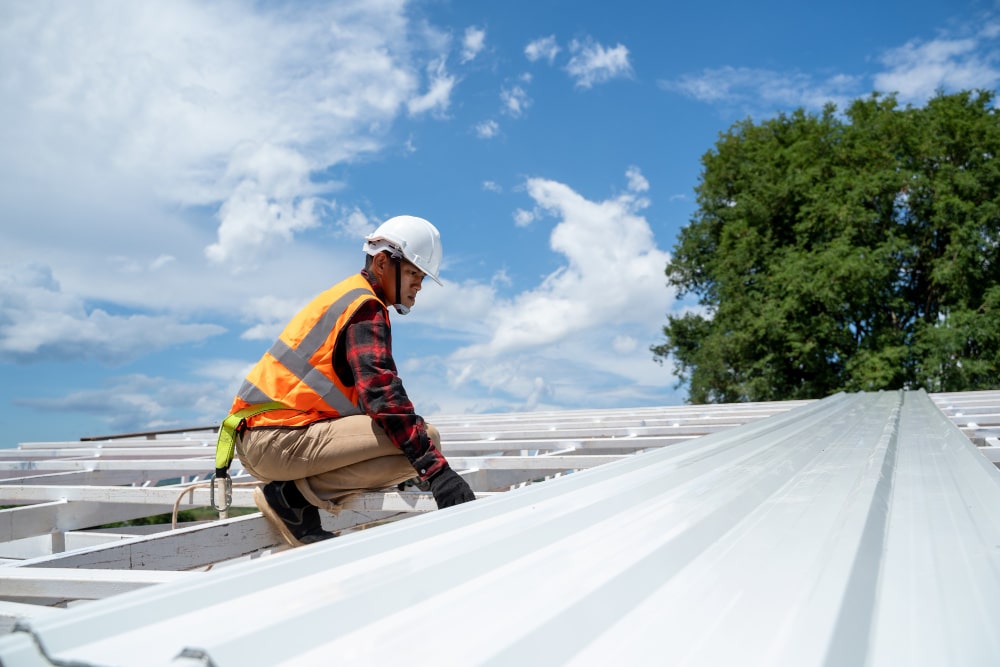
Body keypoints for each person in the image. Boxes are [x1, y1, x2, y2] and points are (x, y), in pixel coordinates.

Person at [227, 215, 476, 546]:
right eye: (415, 274)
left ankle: (292, 496)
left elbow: (365, 401)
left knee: (413, 446)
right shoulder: (365, 309)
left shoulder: (350, 297)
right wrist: (436, 473)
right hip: (276, 439)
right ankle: (293, 500)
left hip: (267, 435)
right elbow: (383, 396)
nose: (419, 285)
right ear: (384, 262)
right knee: (426, 441)